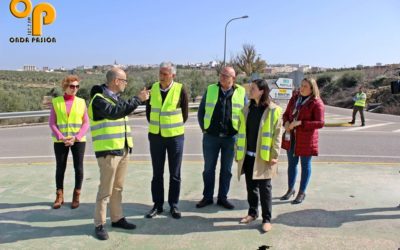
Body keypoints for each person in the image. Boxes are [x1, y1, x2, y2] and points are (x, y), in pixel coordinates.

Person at [89, 68, 149, 240]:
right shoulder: (98, 100)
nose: (126, 84)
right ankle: (99, 224)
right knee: (105, 190)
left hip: (122, 149)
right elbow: (115, 113)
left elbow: (121, 110)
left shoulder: (116, 99)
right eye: (124, 81)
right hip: (108, 151)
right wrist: (137, 99)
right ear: (116, 81)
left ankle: (117, 218)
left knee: (118, 188)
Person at [236, 79, 283, 232]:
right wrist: (239, 153)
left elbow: (277, 135)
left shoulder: (273, 110)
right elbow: (240, 132)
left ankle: (267, 219)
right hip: (248, 155)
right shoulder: (246, 108)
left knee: (265, 189)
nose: (250, 91)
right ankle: (252, 213)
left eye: (253, 89)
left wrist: (275, 154)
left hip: (264, 156)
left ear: (262, 91)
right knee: (251, 187)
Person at [196, 66, 247, 209]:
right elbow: (201, 111)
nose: (222, 77)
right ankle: (207, 197)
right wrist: (204, 129)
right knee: (208, 169)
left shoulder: (241, 92)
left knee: (226, 170)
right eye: (221, 74)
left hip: (231, 138)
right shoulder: (211, 89)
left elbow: (246, 114)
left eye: (226, 75)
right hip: (211, 137)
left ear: (233, 78)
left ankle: (222, 198)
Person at [144, 62, 189, 220]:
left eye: (165, 74)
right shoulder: (152, 87)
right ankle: (157, 205)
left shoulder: (180, 89)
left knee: (175, 173)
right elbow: (149, 111)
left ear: (173, 75)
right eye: (160, 73)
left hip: (175, 137)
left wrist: (171, 127)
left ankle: (173, 205)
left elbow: (184, 113)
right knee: (157, 173)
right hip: (156, 136)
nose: (161, 76)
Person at [280, 78, 325, 204]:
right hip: (292, 137)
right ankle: (290, 189)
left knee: (305, 166)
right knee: (291, 164)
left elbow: (320, 123)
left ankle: (301, 192)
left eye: (305, 86)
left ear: (312, 89)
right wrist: (287, 122)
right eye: (301, 85)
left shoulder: (317, 103)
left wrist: (301, 123)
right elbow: (286, 114)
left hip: (306, 140)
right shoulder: (295, 98)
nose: (302, 88)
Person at [49, 75, 88, 209]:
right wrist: (61, 137)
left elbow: (86, 123)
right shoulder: (56, 102)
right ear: (65, 87)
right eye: (72, 86)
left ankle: (76, 195)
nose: (75, 89)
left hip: (78, 140)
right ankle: (59, 196)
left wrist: (76, 137)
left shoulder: (81, 102)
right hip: (61, 141)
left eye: (77, 86)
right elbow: (52, 123)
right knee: (60, 168)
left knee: (79, 168)